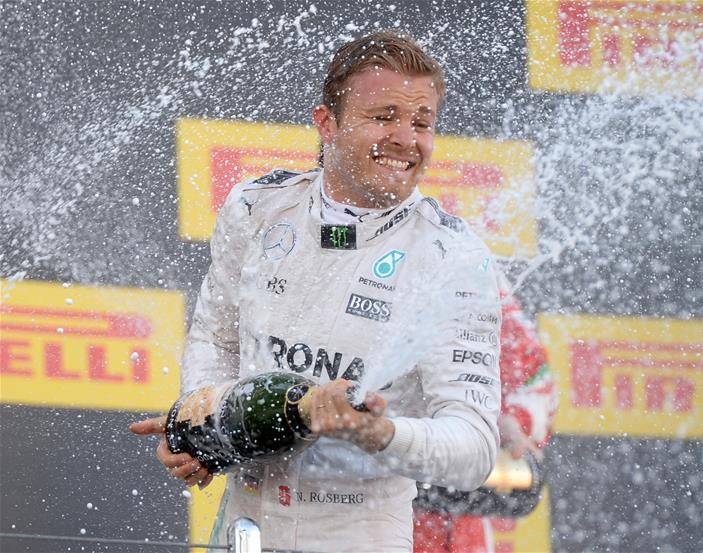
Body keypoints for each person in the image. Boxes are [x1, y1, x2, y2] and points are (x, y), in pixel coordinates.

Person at [131, 31, 502, 553]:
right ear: (327, 123)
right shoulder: (256, 208)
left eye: (422, 123)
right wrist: (204, 425)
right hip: (242, 525)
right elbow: (218, 341)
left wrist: (376, 433)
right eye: (384, 116)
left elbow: (475, 450)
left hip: (358, 534)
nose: (405, 138)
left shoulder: (452, 258)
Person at [413, 279, 557, 553]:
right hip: (349, 511)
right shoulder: (343, 256)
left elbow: (535, 380)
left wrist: (513, 421)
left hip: (452, 528)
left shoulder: (472, 268)